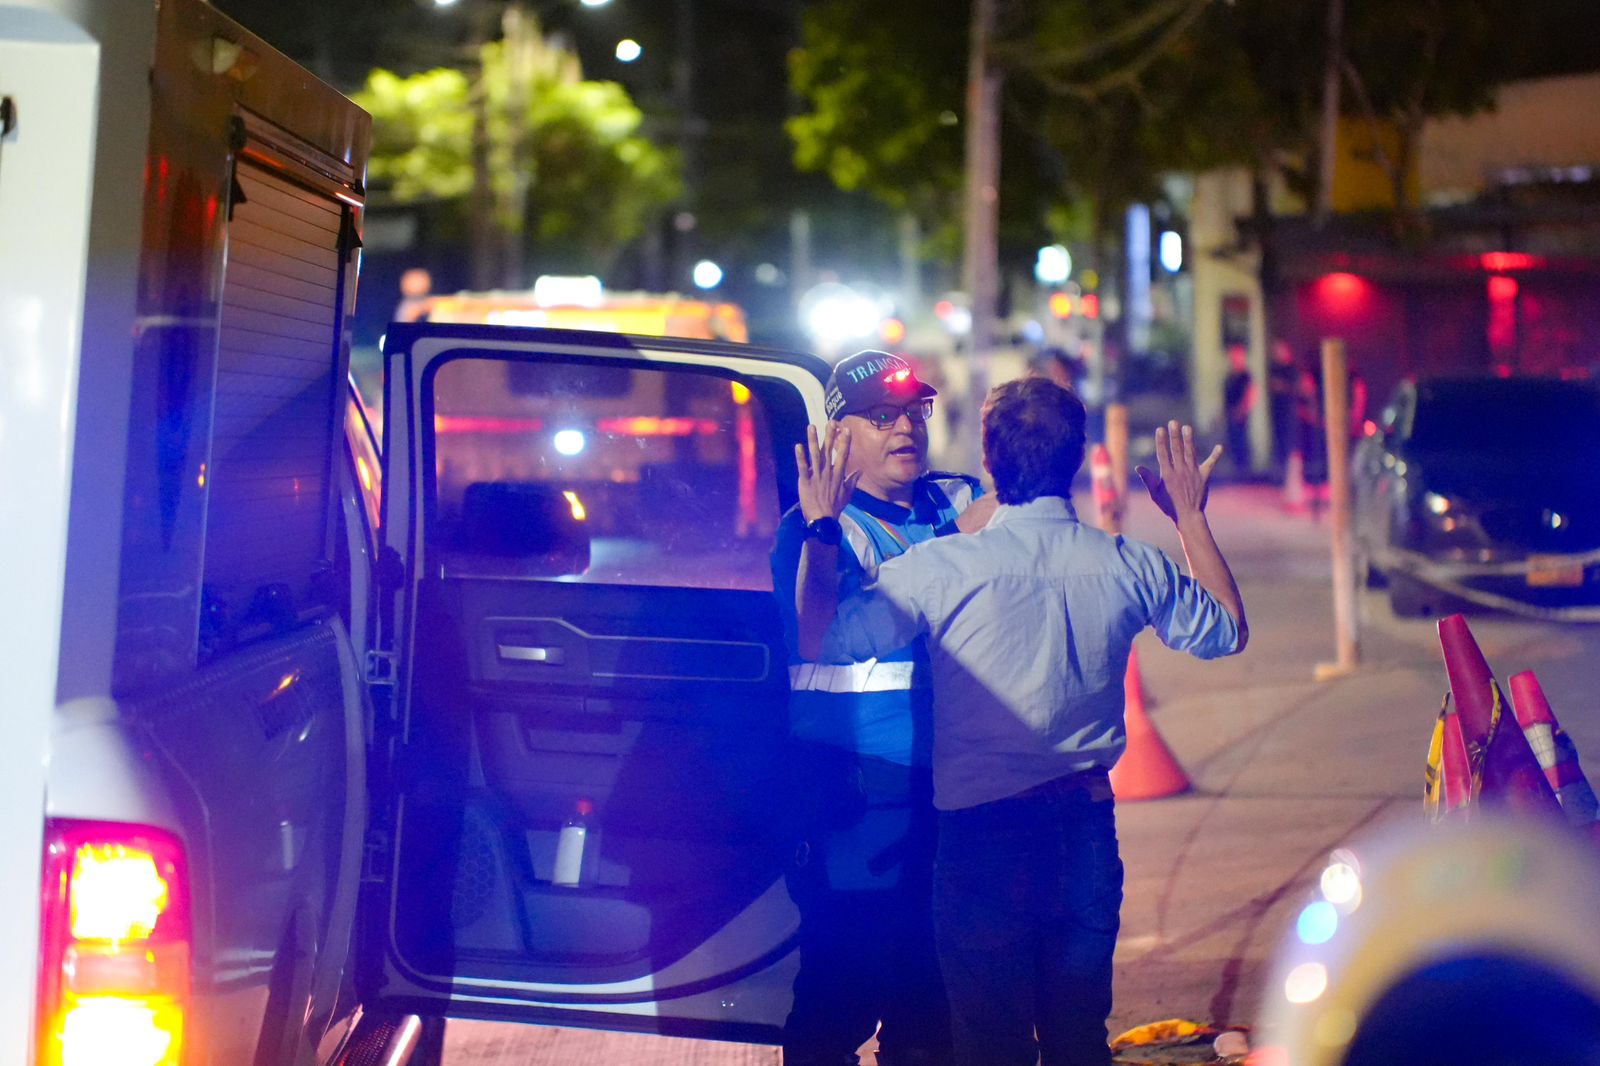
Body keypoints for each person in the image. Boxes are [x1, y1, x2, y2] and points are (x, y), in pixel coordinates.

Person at [792, 377, 1247, 1066]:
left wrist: (821, 526)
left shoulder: (940, 569)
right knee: (1077, 1038)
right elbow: (1226, 629)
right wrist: (1189, 516)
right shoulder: (1124, 563)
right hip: (1084, 832)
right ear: (1076, 458)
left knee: (989, 1043)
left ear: (990, 462)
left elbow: (821, 637)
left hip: (980, 838)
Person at [769, 349, 993, 1066]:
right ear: (838, 434)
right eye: (880, 416)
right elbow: (813, 630)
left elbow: (1024, 526)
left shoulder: (956, 498)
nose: (906, 428)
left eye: (913, 411)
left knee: (931, 1000)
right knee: (841, 990)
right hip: (860, 796)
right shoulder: (812, 530)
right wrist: (822, 529)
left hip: (950, 789)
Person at [1223, 343, 1257, 479]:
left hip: (1241, 415)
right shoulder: (1229, 376)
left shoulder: (1246, 376)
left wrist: (1243, 409)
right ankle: (1237, 471)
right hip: (1230, 414)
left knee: (1242, 441)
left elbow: (1251, 393)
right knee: (1233, 442)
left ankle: (1245, 472)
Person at [1267, 339, 1299, 477]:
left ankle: (1290, 474)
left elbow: (1295, 388)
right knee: (1278, 442)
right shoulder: (1273, 368)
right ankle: (1279, 473)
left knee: (1289, 442)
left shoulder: (1291, 369)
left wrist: (1282, 386)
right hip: (1277, 411)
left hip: (1289, 412)